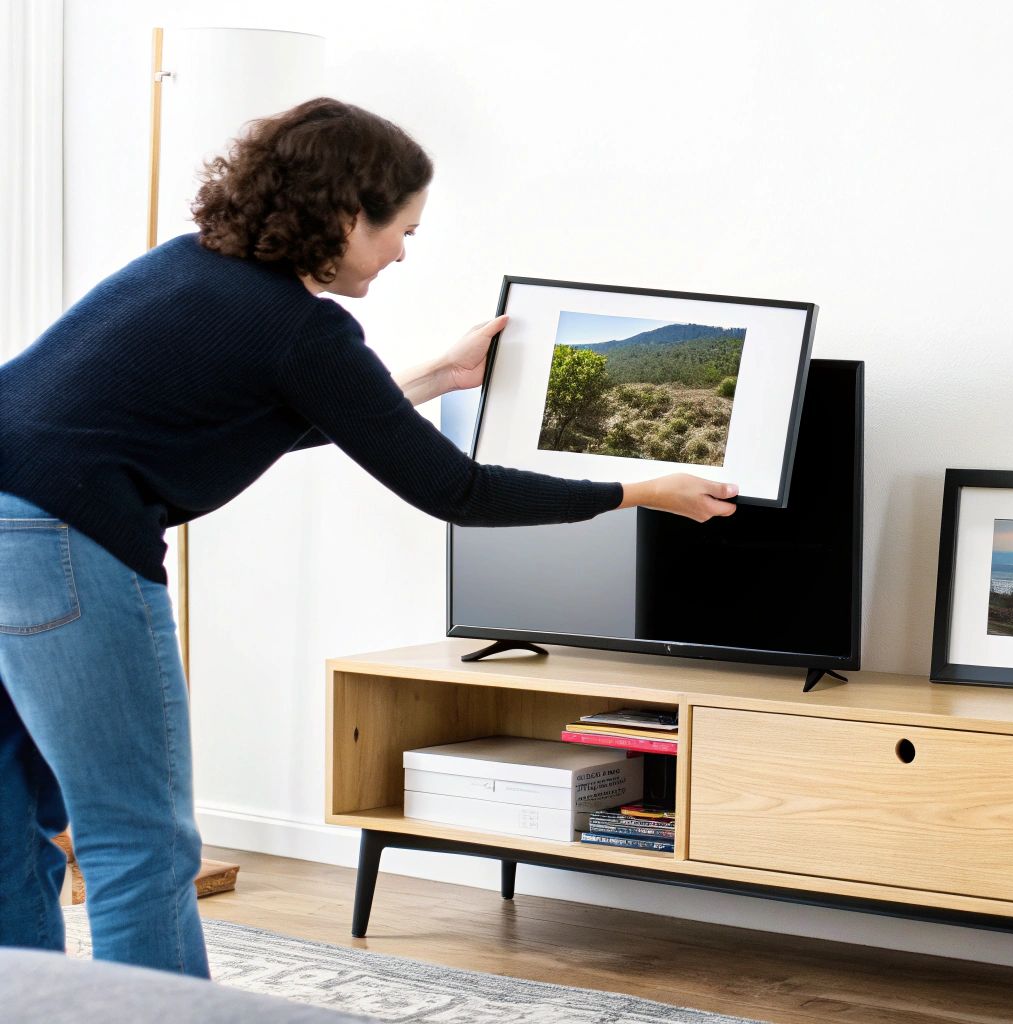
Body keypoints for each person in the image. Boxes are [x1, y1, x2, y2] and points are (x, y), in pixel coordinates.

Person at [0, 97, 736, 979]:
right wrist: (639, 488)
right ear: (350, 215)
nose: (399, 252)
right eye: (403, 231)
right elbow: (454, 489)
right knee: (141, 843)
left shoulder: (187, 269)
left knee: (14, 816)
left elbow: (286, 412)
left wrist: (435, 374)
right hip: (60, 542)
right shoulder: (301, 326)